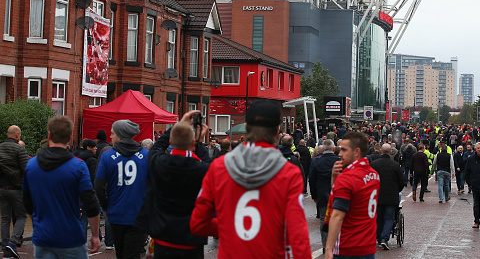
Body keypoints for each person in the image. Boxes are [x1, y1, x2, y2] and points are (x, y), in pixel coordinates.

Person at [190, 99, 311, 258]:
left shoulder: (218, 167)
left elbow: (198, 223)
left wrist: (232, 225)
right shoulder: (288, 172)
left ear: (246, 127)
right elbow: (298, 233)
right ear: (277, 132)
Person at [23, 116, 101, 257]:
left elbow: (27, 202)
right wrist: (95, 234)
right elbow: (91, 202)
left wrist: (37, 225)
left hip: (43, 238)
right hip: (71, 237)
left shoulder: (31, 165)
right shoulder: (78, 166)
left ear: (49, 135)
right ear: (70, 138)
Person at [136, 113, 211, 258]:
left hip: (163, 236)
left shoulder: (159, 163)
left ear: (171, 141)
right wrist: (199, 142)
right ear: (191, 144)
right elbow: (208, 162)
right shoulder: (201, 169)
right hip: (191, 238)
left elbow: (156, 147)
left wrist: (177, 125)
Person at [95, 120, 149, 259]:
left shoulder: (107, 156)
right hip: (139, 214)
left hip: (116, 213)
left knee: (120, 253)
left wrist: (105, 207)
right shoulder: (146, 156)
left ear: (120, 135)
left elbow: (99, 186)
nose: (110, 136)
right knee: (134, 254)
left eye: (112, 133)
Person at [325, 131, 380, 259]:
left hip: (346, 246)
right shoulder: (374, 175)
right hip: (367, 246)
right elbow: (353, 199)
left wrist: (328, 248)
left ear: (356, 152)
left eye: (344, 150)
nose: (340, 154)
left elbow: (338, 215)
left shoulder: (347, 178)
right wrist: (335, 178)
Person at [0, 126, 29, 258]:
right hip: (16, 189)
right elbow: (25, 170)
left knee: (5, 219)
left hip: (2, 188)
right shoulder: (19, 149)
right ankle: (12, 243)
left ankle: (5, 248)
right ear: (18, 135)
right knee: (22, 216)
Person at [371, 143, 404, 250]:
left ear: (380, 151)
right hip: (391, 196)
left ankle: (379, 238)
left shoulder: (374, 164)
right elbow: (401, 182)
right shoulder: (395, 165)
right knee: (389, 217)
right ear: (390, 152)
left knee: (378, 217)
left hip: (377, 196)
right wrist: (397, 190)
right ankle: (385, 238)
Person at [310, 139, 340, 252]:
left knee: (324, 219)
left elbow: (312, 180)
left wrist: (314, 196)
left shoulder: (317, 161)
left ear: (322, 149)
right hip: (337, 193)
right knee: (338, 218)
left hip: (322, 194)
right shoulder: (339, 161)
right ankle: (336, 242)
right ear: (333, 148)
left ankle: (325, 244)